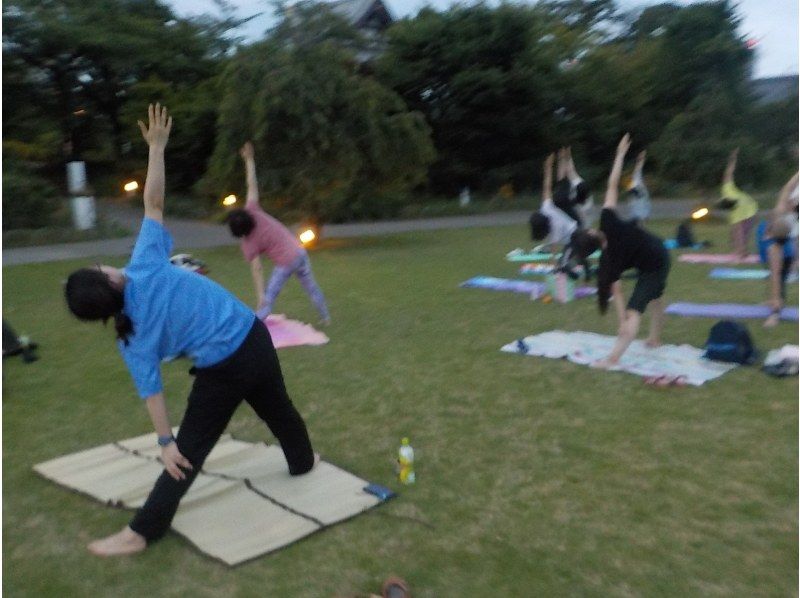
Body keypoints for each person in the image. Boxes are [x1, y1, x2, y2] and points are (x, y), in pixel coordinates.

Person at [64, 104, 317, 557]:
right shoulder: (142, 266)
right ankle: (301, 464)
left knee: (191, 448)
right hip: (251, 342)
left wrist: (165, 443)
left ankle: (143, 532)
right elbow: (154, 202)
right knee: (278, 410)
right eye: (99, 267)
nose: (104, 263)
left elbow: (152, 392)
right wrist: (156, 149)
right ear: (109, 280)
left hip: (232, 358)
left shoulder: (131, 336)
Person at [570, 134, 670, 368]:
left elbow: (617, 291)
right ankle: (654, 338)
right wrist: (620, 155)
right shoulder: (607, 221)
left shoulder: (607, 260)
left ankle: (612, 359)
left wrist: (625, 318)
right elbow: (612, 185)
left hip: (655, 261)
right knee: (654, 296)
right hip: (657, 252)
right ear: (592, 234)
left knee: (637, 309)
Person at [226, 142, 330, 325]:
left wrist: (260, 296)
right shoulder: (252, 209)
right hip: (299, 251)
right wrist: (249, 160)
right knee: (310, 286)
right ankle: (325, 317)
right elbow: (251, 184)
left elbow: (257, 269)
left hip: (286, 262)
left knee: (269, 297)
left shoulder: (249, 244)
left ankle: (254, 326)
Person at [529, 154, 591, 279]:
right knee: (573, 258)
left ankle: (575, 276)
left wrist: (554, 267)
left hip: (576, 236)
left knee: (564, 263)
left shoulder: (553, 229)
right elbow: (546, 187)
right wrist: (548, 167)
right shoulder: (546, 207)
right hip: (575, 233)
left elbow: (553, 249)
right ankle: (585, 271)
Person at [760, 172, 799, 327]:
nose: (792, 200)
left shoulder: (789, 213)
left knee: (778, 277)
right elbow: (788, 188)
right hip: (773, 240)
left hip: (781, 242)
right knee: (775, 276)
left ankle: (775, 312)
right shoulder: (782, 210)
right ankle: (775, 303)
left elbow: (787, 191)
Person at [719, 148, 758, 258]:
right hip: (749, 205)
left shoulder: (726, 187)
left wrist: (733, 158)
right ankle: (742, 250)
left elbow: (729, 171)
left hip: (739, 204)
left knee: (738, 229)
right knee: (744, 228)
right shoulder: (728, 186)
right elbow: (730, 170)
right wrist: (733, 158)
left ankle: (740, 251)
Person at [626, 150, 651, 224]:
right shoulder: (636, 178)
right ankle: (641, 222)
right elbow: (638, 168)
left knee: (640, 209)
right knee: (638, 210)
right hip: (638, 195)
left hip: (638, 196)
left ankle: (641, 222)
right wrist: (641, 159)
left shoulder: (636, 180)